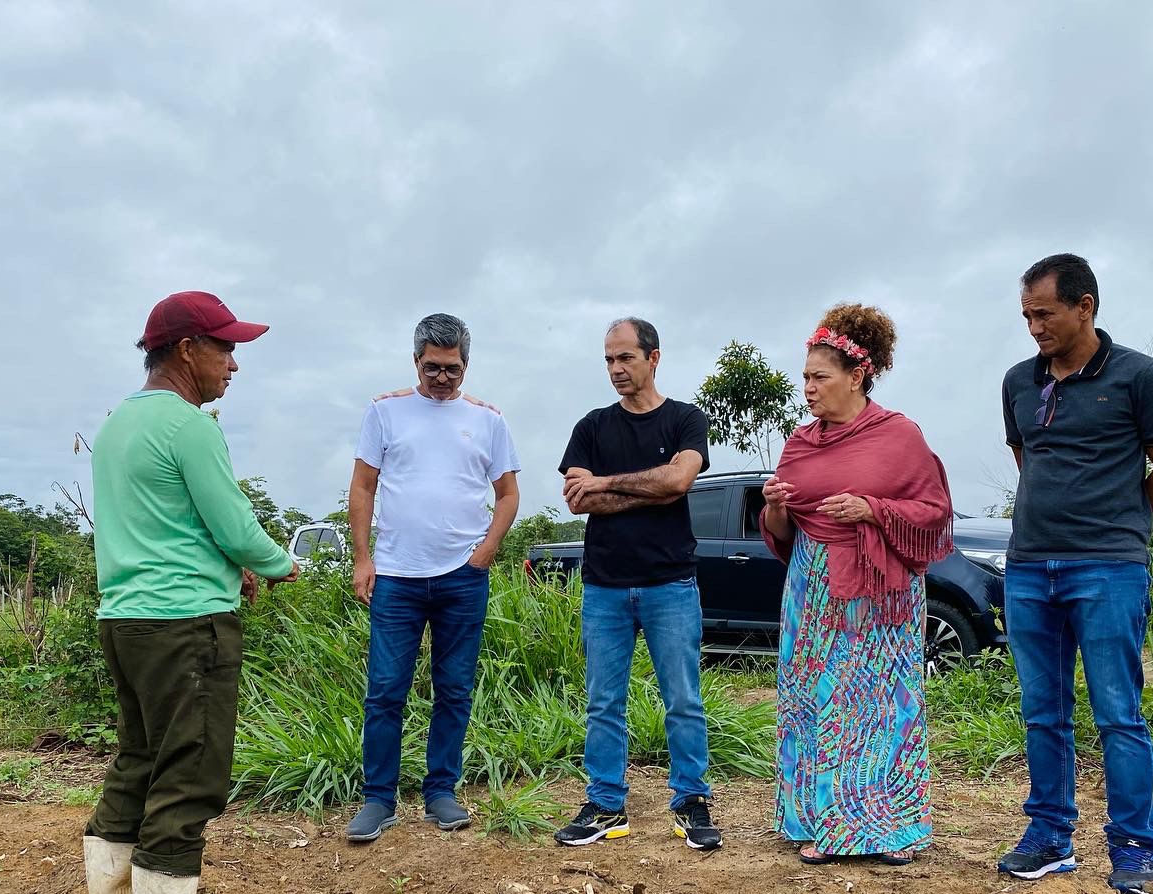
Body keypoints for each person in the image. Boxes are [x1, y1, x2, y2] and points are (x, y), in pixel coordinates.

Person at [84, 291, 299, 894]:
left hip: (126, 620)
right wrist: (280, 563)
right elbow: (233, 524)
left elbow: (161, 525)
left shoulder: (119, 423)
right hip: (185, 626)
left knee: (139, 760)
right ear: (186, 350)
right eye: (225, 347)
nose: (233, 363)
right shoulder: (189, 426)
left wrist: (221, 563)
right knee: (190, 768)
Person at [998, 253, 1153, 894]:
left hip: (1108, 569)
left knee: (1118, 713)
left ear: (1085, 306)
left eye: (1044, 314)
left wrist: (1117, 524)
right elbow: (1032, 462)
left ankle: (1135, 849)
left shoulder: (1142, 377)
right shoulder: (1018, 382)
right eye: (1026, 315)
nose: (1033, 328)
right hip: (1028, 569)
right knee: (1041, 712)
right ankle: (1050, 836)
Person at [760, 304, 953, 865]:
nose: (809, 388)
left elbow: (934, 512)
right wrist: (773, 508)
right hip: (811, 585)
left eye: (820, 377)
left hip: (880, 590)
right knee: (813, 697)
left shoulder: (899, 437)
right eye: (806, 377)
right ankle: (818, 825)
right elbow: (783, 531)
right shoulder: (800, 442)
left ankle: (890, 831)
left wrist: (870, 509)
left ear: (857, 375)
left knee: (878, 701)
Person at [346, 313, 521, 842]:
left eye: (452, 368)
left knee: (454, 689)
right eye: (431, 367)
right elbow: (363, 487)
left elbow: (508, 494)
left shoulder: (488, 420)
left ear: (466, 364)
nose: (441, 378)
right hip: (396, 576)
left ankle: (440, 790)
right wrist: (362, 557)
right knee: (385, 690)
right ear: (415, 360)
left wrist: (487, 550)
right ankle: (378, 799)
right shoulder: (384, 411)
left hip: (461, 578)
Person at [552, 317, 721, 851]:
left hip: (670, 583)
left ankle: (691, 802)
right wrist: (649, 488)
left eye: (625, 358)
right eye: (608, 359)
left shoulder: (685, 419)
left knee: (683, 698)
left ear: (653, 358)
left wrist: (610, 482)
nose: (616, 369)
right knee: (604, 701)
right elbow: (580, 500)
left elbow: (678, 480)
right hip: (604, 585)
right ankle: (605, 803)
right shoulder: (592, 427)